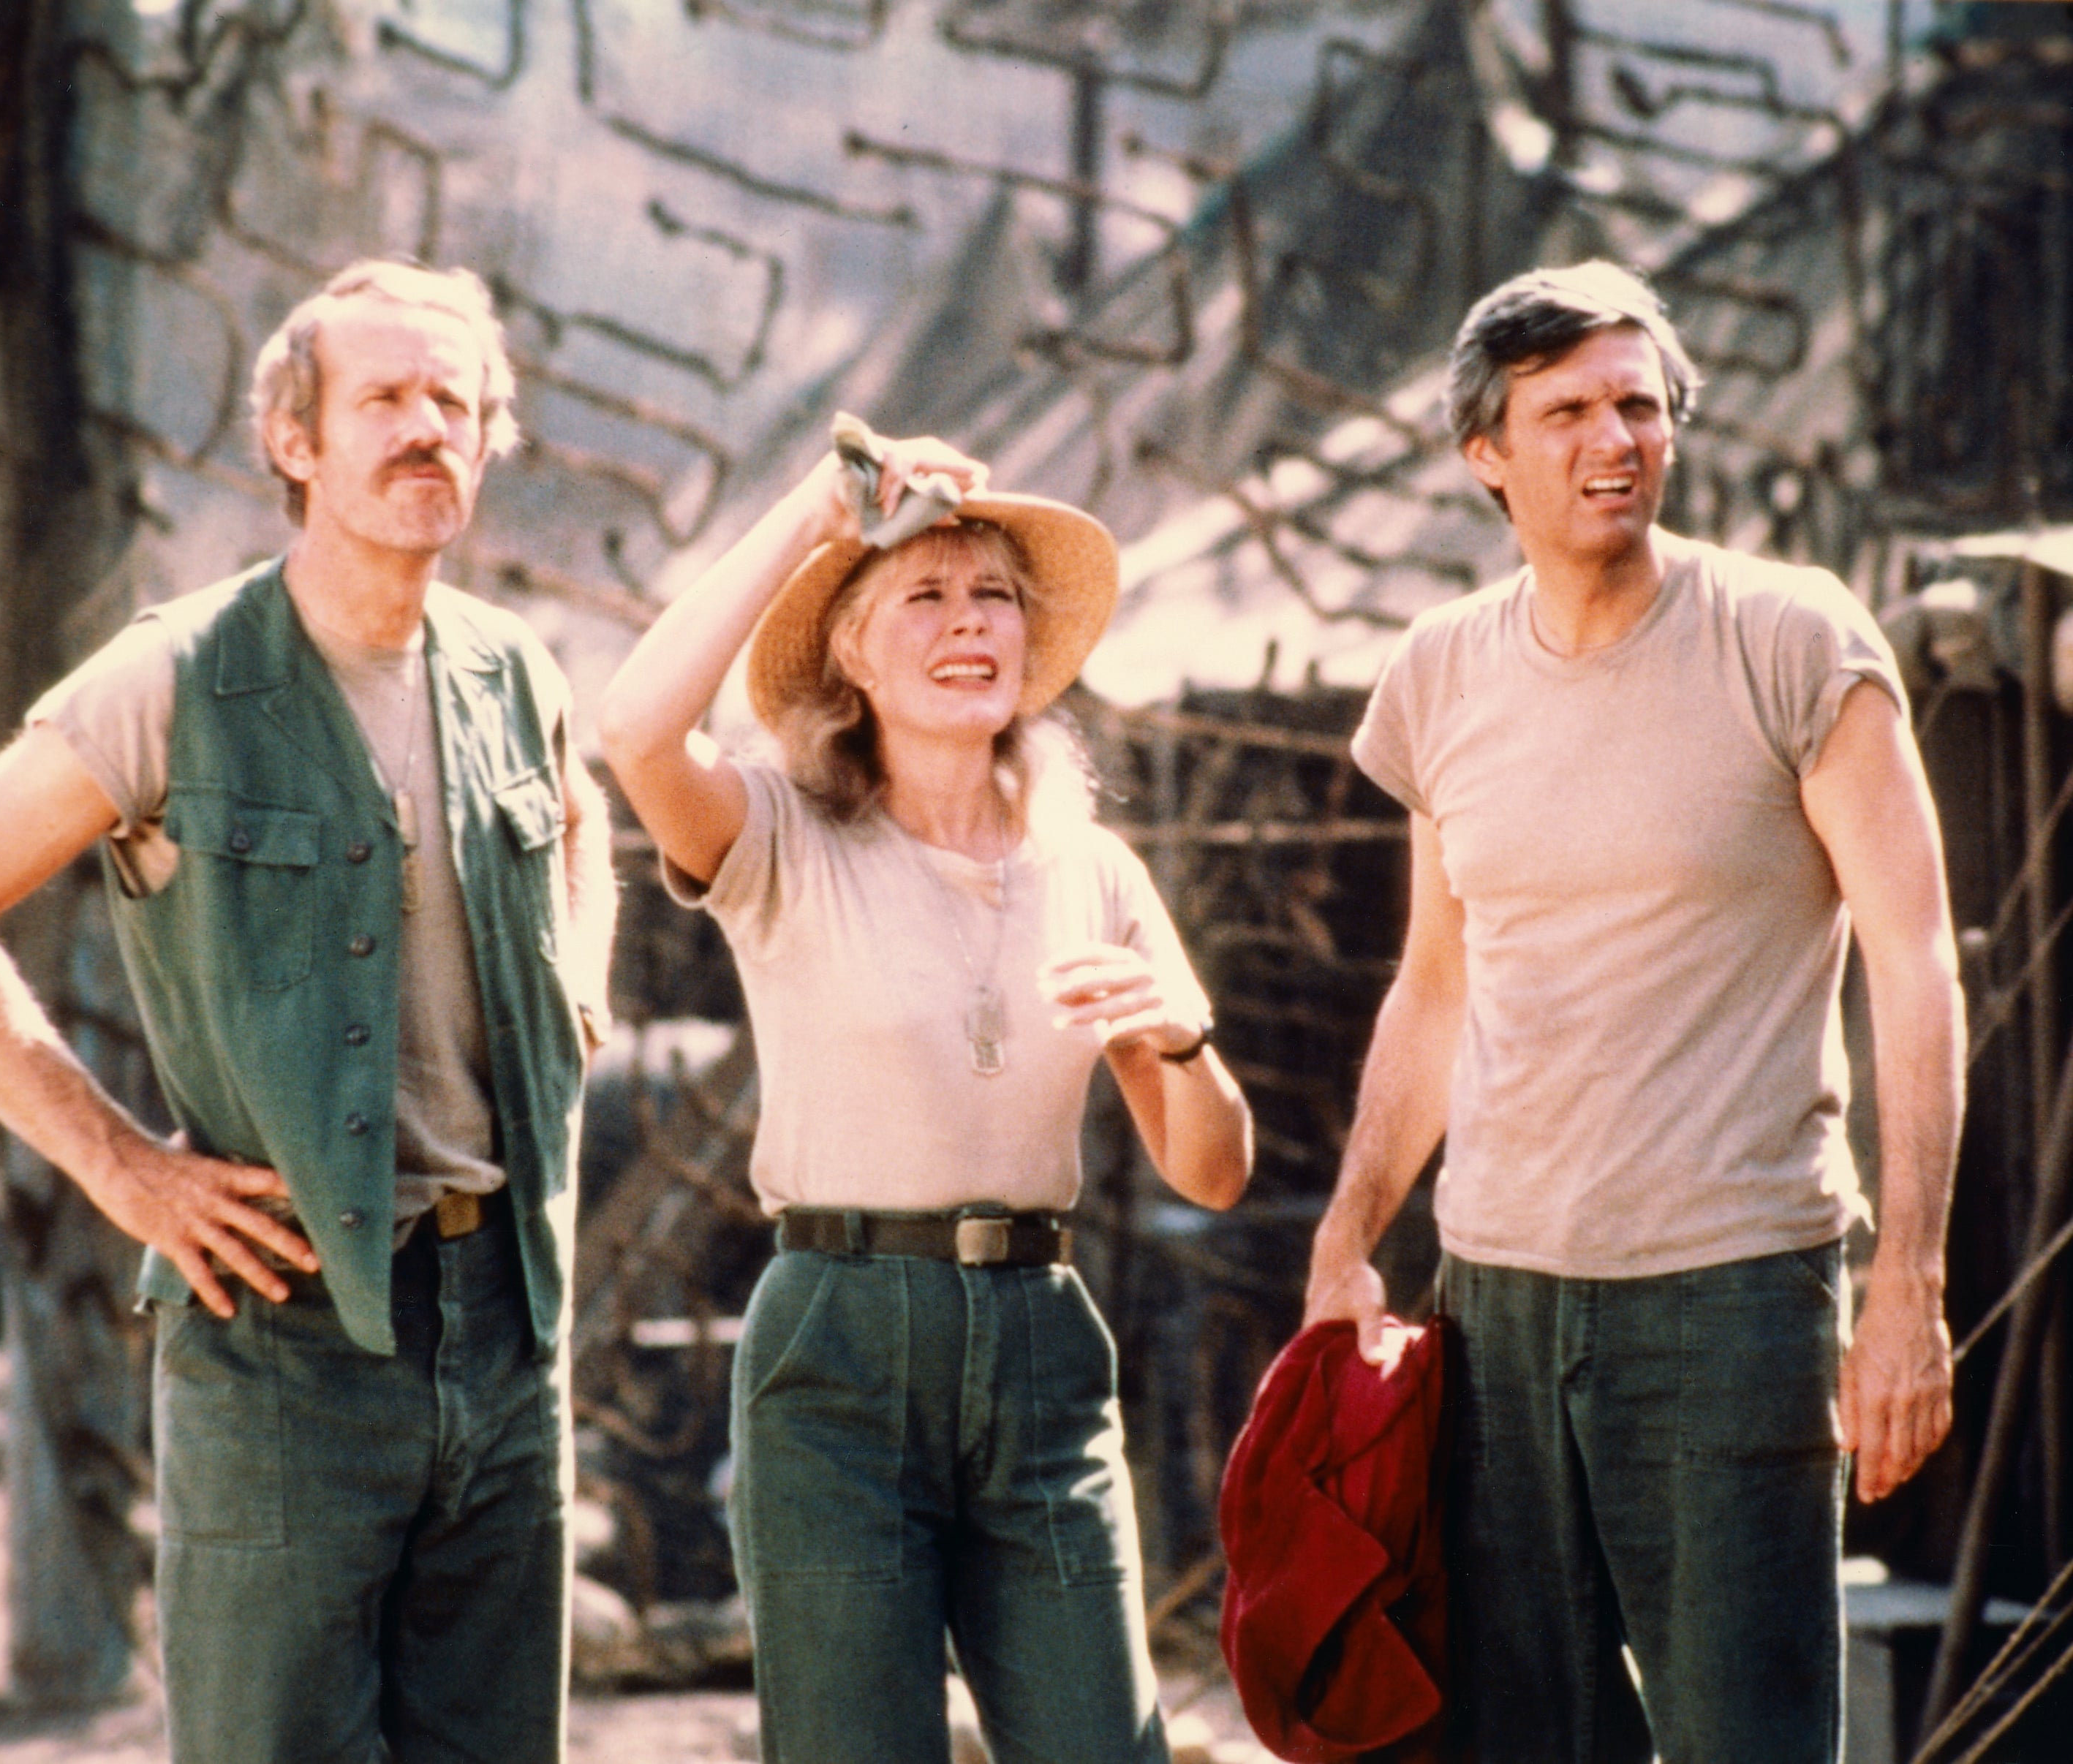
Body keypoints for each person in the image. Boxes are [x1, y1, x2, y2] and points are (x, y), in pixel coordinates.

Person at [0, 260, 613, 1762]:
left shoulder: (509, 667)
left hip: (509, 1332)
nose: (427, 428)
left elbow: (584, 823)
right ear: (294, 438)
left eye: (454, 401)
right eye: (385, 397)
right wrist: (119, 1165)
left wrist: (577, 990)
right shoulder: (177, 674)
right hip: (283, 1334)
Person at [1303, 261, 1963, 1761]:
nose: (1616, 440)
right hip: (1495, 1298)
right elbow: (1434, 982)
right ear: (1485, 453)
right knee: (1516, 1738)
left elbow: (1916, 957)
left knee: (1746, 1738)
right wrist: (1349, 1234)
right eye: (1568, 414)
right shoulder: (1439, 670)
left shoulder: (1790, 637)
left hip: (1730, 1291)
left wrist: (1907, 1283)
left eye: (1639, 406)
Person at [595, 424, 1253, 1764]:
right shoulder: (780, 835)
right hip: (836, 1344)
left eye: (995, 595)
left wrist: (1184, 1046)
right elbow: (634, 728)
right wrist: (813, 514)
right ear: (852, 650)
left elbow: (1213, 1170)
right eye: (926, 595)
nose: (969, 623)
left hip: (1040, 1344)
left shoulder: (1097, 868)